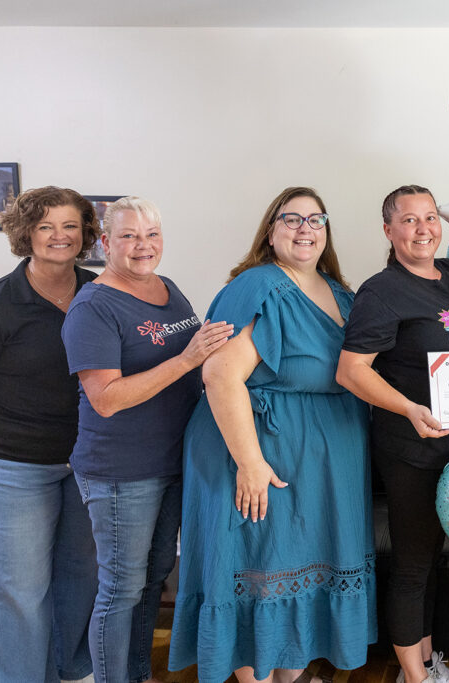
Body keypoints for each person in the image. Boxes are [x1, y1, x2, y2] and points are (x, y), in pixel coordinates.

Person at [169, 187, 376, 683]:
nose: (305, 229)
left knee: (298, 569)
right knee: (258, 569)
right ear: (270, 229)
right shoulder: (257, 285)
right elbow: (220, 376)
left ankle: (289, 675)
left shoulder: (342, 293)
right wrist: (251, 463)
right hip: (259, 455)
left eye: (315, 219)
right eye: (292, 219)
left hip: (319, 464)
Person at [336, 185, 449, 683]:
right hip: (415, 448)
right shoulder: (381, 291)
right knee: (413, 564)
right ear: (388, 230)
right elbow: (351, 372)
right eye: (408, 221)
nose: (423, 229)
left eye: (430, 217)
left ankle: (431, 662)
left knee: (435, 560)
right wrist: (410, 409)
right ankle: (415, 675)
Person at [61, 196, 233, 683]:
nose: (143, 246)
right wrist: (186, 360)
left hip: (173, 460)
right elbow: (107, 398)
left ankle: (135, 673)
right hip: (121, 471)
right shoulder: (93, 306)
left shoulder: (167, 287)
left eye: (152, 235)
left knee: (153, 580)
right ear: (105, 242)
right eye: (130, 236)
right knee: (121, 589)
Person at [0, 186, 100, 682]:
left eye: (70, 226)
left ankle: (68, 672)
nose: (59, 236)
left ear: (85, 235)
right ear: (26, 234)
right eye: (45, 227)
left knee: (80, 579)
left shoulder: (100, 292)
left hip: (86, 464)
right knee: (17, 589)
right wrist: (10, 407)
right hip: (11, 467)